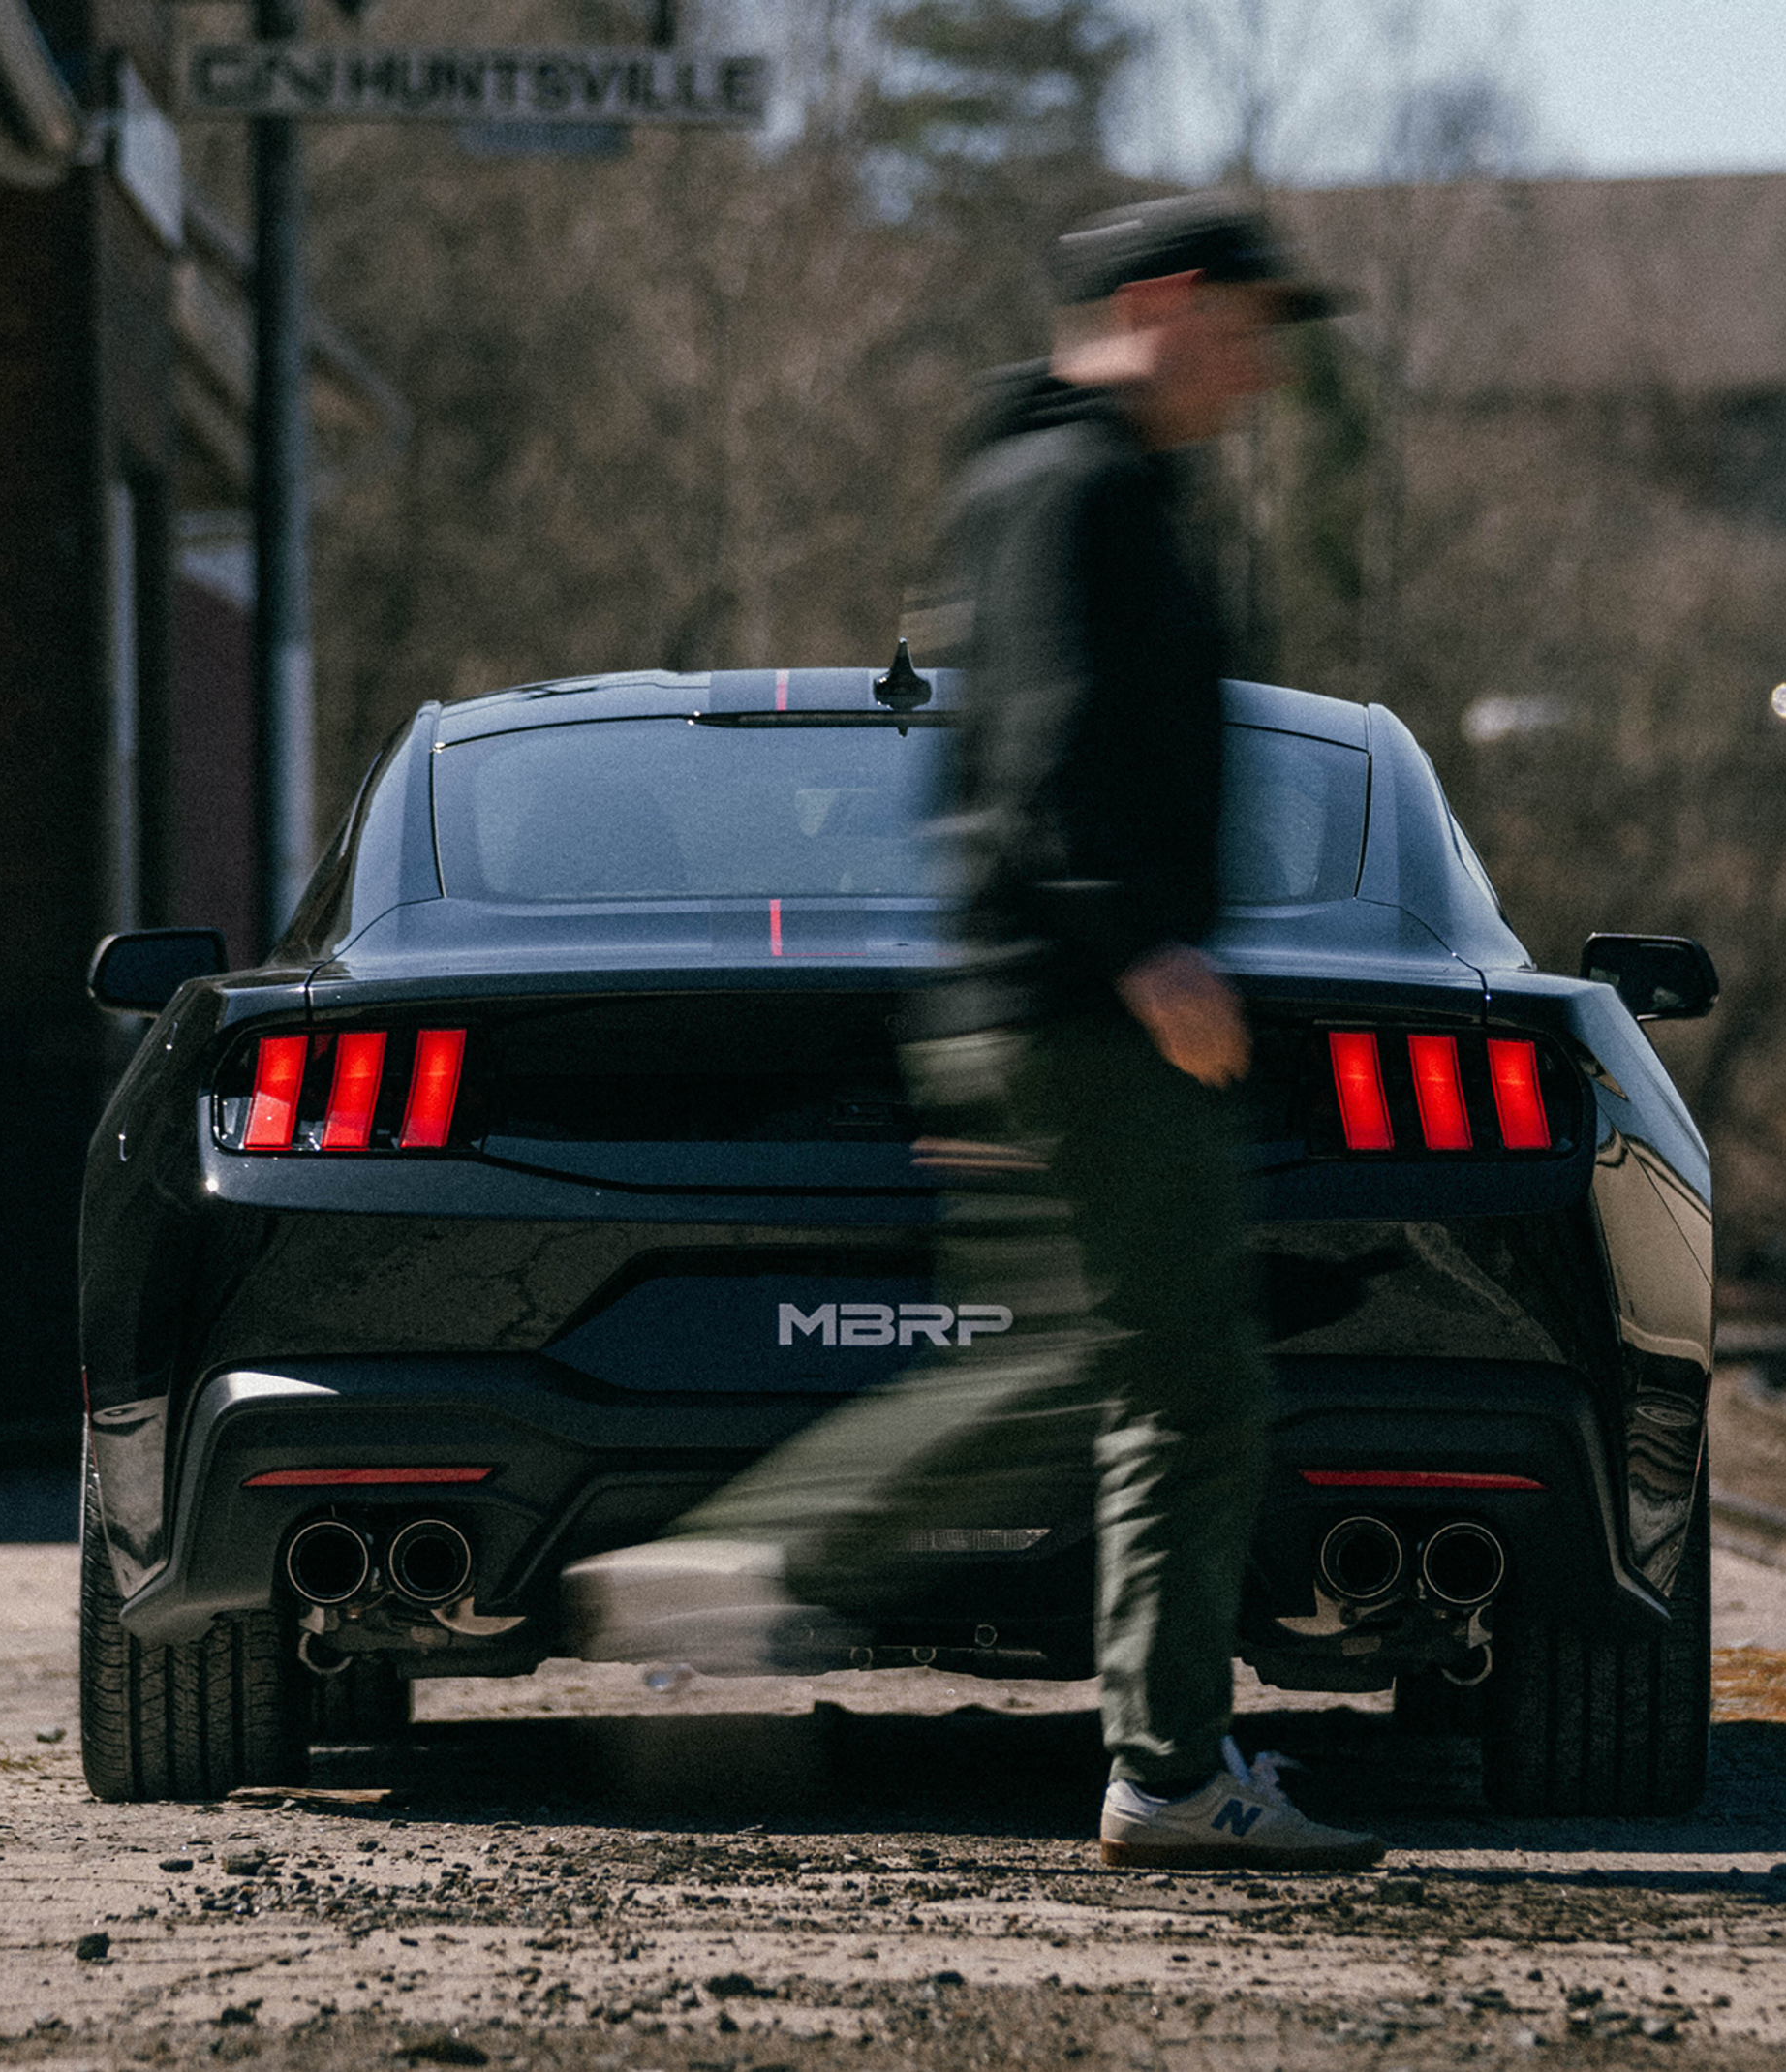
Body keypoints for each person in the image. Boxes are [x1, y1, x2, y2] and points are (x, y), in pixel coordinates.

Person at [566, 193, 1382, 1873]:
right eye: (1246, 328)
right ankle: (1164, 1766)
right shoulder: (1080, 492)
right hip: (1090, 1008)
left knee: (1070, 1360)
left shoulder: (1062, 482)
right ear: (1163, 300)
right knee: (1193, 1380)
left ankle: (760, 1563)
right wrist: (1144, 946)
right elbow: (1045, 753)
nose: (1260, 371)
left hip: (1032, 999)